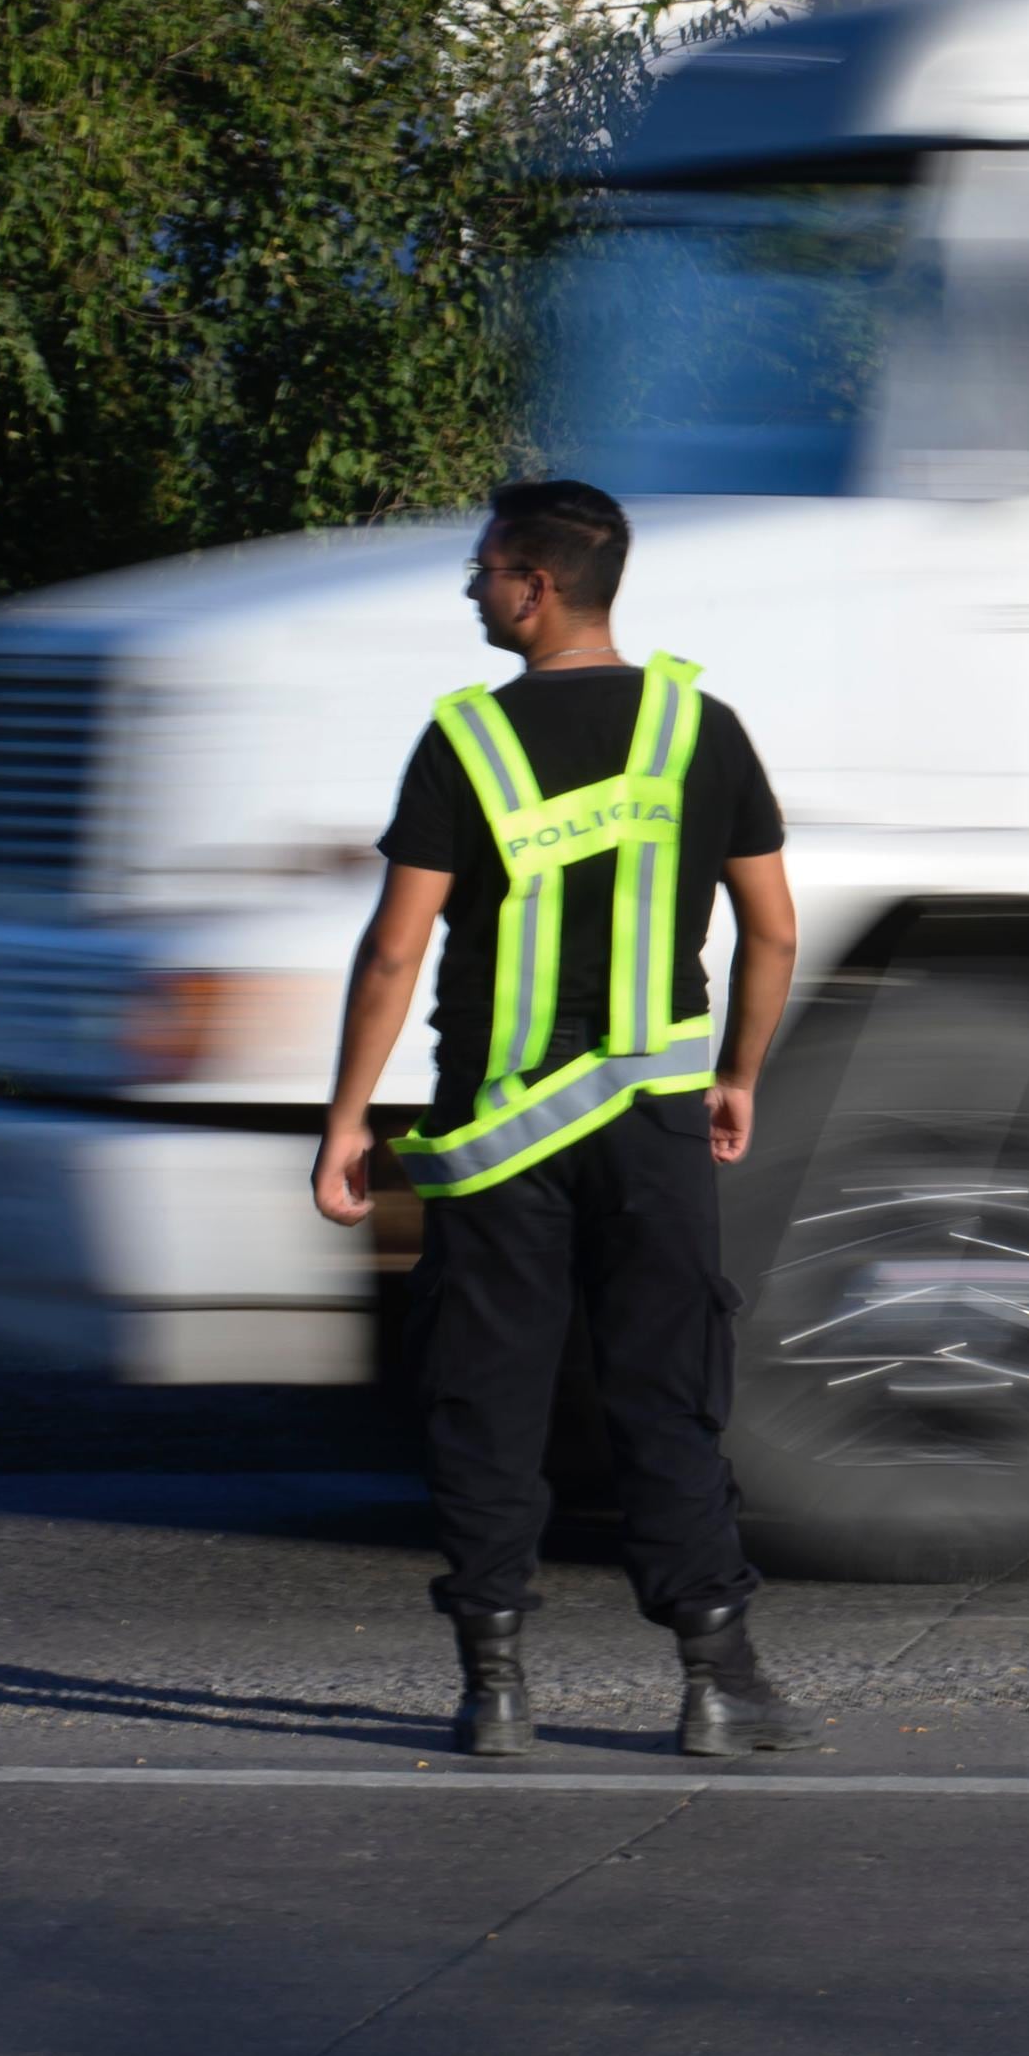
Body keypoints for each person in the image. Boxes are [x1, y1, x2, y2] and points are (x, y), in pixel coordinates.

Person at [311, 477, 823, 1759]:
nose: (474, 591)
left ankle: (494, 1684)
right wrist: (738, 1070)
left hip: (495, 1131)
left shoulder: (464, 741)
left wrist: (345, 1123)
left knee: (488, 1392)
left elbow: (394, 950)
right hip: (652, 1120)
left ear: (535, 585)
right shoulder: (701, 727)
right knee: (665, 1388)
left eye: (482, 571)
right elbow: (772, 927)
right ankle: (717, 1680)